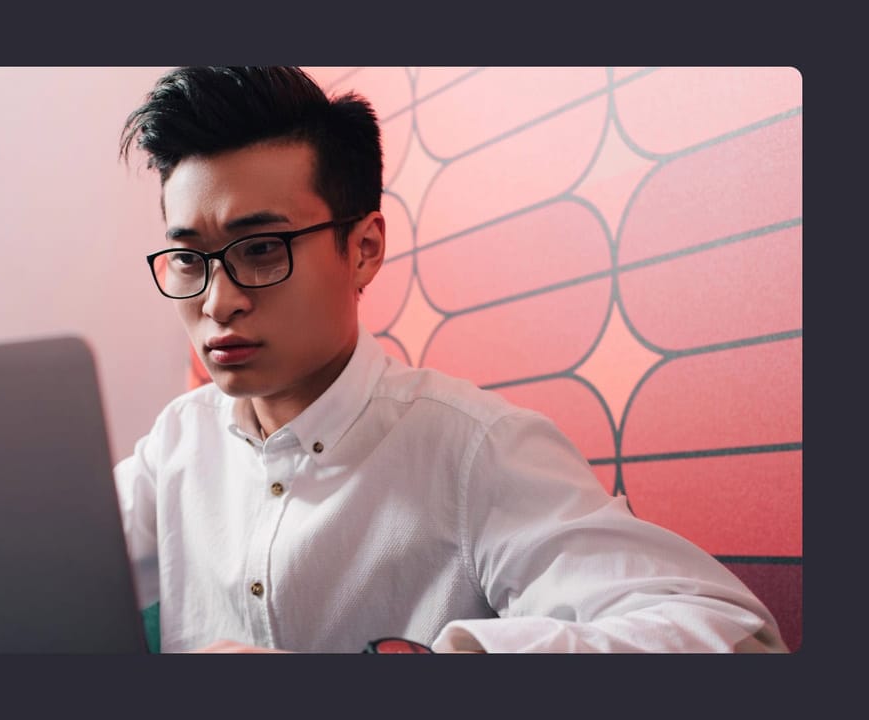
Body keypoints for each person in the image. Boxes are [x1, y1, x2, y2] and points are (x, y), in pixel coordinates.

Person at [113, 66, 787, 653]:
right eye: (188, 259)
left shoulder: (473, 450)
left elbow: (732, 637)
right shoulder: (174, 446)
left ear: (364, 249)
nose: (218, 300)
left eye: (261, 249)